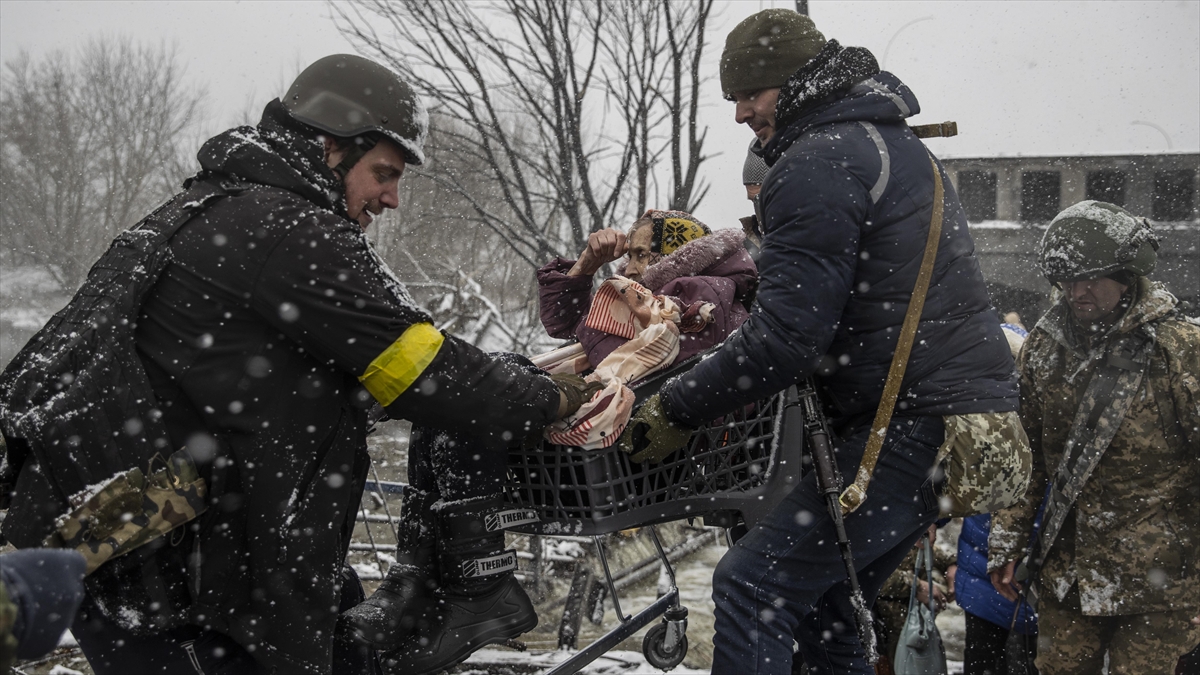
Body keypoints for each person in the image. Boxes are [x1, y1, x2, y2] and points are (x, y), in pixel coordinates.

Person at [0, 54, 591, 675]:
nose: (392, 198)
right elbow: (421, 368)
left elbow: (289, 373)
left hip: (148, 554)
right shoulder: (288, 230)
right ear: (330, 145)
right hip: (188, 582)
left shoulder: (215, 210)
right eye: (384, 173)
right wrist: (553, 397)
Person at [617, 9, 1018, 673]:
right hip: (960, 423)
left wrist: (675, 407)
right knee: (830, 606)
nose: (741, 112)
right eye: (734, 96)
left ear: (799, 81)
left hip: (910, 422)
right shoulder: (893, 145)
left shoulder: (818, 162)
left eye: (753, 92)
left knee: (752, 585)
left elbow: (786, 338)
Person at [987, 200, 1200, 675]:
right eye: (1067, 279)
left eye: (1090, 279)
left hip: (1160, 577)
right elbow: (1026, 457)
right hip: (1069, 570)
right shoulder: (1045, 348)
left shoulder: (1179, 351)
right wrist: (1006, 544)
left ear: (1126, 278)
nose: (1076, 292)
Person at [536, 209, 757, 369]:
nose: (629, 269)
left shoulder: (698, 293)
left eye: (641, 255)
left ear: (677, 256)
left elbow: (610, 355)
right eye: (629, 256)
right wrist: (585, 265)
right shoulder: (649, 302)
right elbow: (565, 322)